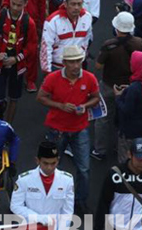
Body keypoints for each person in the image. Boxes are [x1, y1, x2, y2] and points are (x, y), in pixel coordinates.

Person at [38, 45, 100, 214]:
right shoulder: (52, 78)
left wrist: (84, 106)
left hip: (80, 129)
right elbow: (41, 97)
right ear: (64, 62)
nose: (75, 66)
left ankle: (79, 201)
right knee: (51, 166)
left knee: (84, 169)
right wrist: (60, 106)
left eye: (78, 61)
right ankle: (50, 199)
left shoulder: (90, 78)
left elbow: (95, 98)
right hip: (57, 129)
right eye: (71, 62)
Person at [93, 11, 142, 161]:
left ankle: (100, 149)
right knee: (124, 116)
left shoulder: (109, 45)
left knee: (103, 116)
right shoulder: (139, 43)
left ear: (116, 28)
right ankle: (120, 146)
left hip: (109, 85)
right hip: (130, 87)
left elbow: (98, 65)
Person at [0, 0, 37, 123]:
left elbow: (32, 45)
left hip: (17, 65)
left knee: (14, 98)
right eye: (13, 3)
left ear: (25, 4)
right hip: (0, 63)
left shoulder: (29, 22)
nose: (15, 7)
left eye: (19, 5)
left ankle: (8, 126)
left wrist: (16, 58)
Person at [113, 51, 142, 161]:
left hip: (129, 129)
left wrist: (118, 96)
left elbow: (126, 110)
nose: (130, 64)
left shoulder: (134, 88)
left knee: (125, 158)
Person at [39, 0, 93, 75]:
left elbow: (86, 40)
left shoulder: (87, 17)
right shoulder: (52, 21)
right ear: (65, 4)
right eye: (73, 4)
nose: (76, 7)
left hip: (77, 67)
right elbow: (46, 48)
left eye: (79, 4)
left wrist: (81, 57)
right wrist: (47, 72)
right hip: (57, 68)